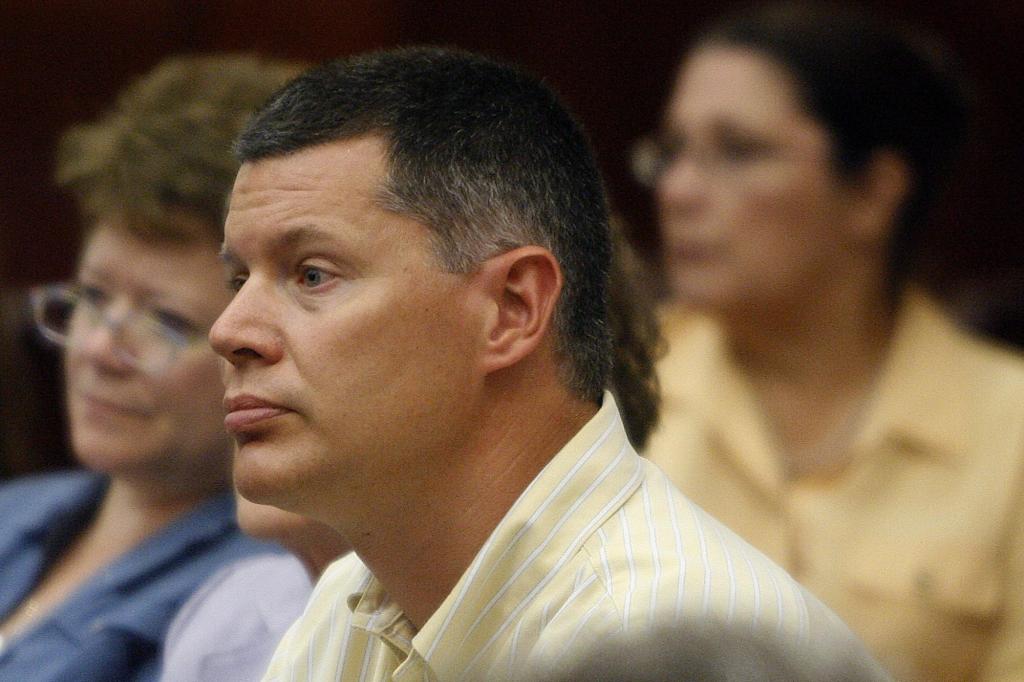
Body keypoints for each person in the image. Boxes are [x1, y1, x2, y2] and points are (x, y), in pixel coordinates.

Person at [209, 46, 888, 681]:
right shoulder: (354, 594)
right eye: (239, 279)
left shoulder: (662, 638)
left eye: (313, 275)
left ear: (511, 308)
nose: (230, 330)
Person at [637, 4, 1024, 680]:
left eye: (736, 151)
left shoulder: (1010, 429)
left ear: (875, 191)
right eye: (671, 152)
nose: (678, 189)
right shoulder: (612, 392)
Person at [0, 54, 300, 681]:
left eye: (166, 322)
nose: (97, 350)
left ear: (264, 346)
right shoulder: (15, 511)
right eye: (94, 297)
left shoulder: (267, 600)